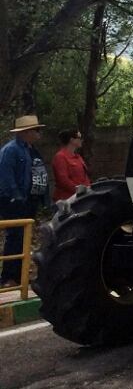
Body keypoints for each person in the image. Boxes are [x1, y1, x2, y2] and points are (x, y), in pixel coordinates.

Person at [0, 115, 50, 287]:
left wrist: (44, 199)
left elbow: (40, 174)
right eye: (36, 130)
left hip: (31, 200)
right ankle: (8, 278)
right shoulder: (11, 150)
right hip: (15, 201)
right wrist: (16, 197)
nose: (39, 133)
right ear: (26, 132)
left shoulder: (33, 150)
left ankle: (20, 276)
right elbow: (6, 177)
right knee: (15, 237)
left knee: (25, 239)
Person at [51, 128, 91, 202]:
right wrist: (79, 190)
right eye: (79, 138)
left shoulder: (78, 157)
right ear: (72, 140)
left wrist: (88, 189)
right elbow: (63, 180)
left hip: (81, 197)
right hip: (67, 199)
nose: (82, 140)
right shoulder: (60, 157)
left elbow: (85, 177)